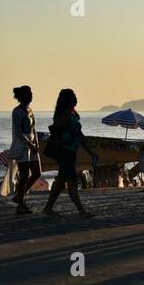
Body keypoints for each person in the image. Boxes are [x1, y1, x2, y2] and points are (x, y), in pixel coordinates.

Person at [42, 88, 97, 218]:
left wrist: (90, 152)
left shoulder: (72, 114)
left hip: (71, 151)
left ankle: (48, 208)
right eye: (73, 97)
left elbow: (79, 135)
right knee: (71, 181)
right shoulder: (62, 114)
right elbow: (57, 130)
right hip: (64, 151)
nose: (76, 99)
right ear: (67, 100)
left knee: (61, 181)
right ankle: (81, 211)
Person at [9, 86, 40, 214]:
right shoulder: (17, 111)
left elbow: (33, 129)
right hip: (22, 146)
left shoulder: (30, 110)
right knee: (24, 175)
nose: (32, 95)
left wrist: (36, 143)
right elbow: (18, 131)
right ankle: (20, 204)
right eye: (29, 93)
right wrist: (29, 144)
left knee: (37, 172)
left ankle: (19, 195)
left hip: (31, 144)